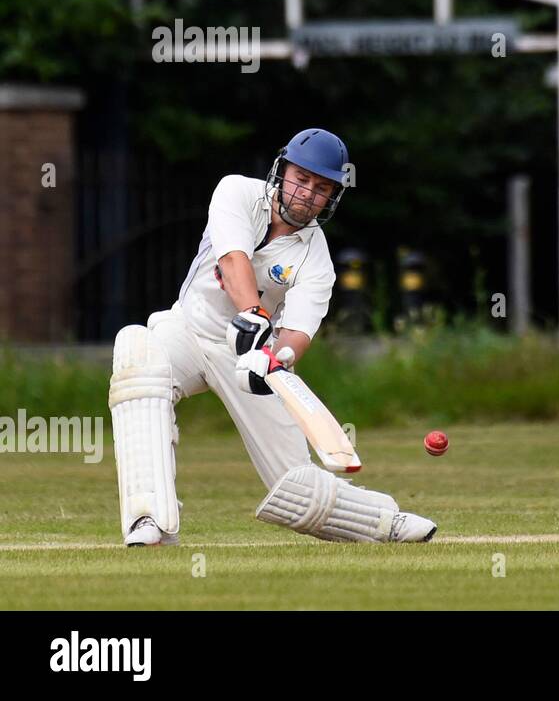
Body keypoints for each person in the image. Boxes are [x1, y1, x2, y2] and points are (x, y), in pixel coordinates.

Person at [108, 128, 437, 546]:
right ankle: (150, 520)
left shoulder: (316, 260)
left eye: (321, 188)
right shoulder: (236, 192)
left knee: (296, 487)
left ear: (332, 197)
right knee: (137, 354)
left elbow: (299, 332)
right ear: (282, 173)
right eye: (301, 179)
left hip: (250, 359)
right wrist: (253, 316)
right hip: (189, 330)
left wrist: (275, 358)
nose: (307, 194)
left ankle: (383, 521)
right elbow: (232, 261)